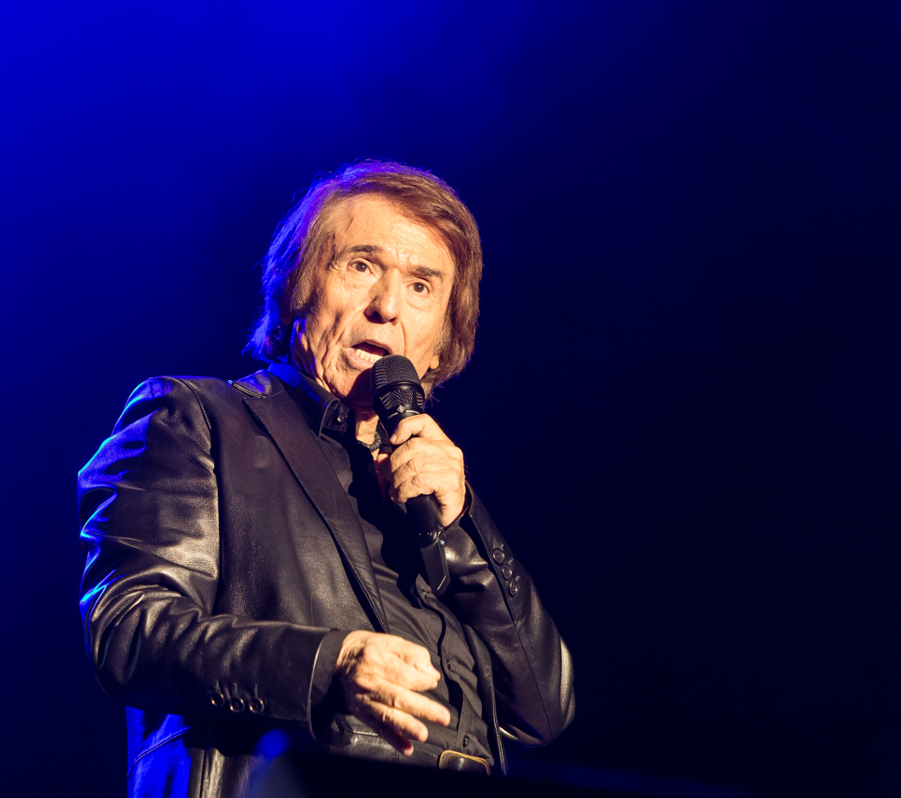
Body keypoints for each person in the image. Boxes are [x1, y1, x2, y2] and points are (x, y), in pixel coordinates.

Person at [78, 161, 574, 798]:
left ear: (442, 341)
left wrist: (463, 525)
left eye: (421, 286)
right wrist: (326, 666)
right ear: (296, 289)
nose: (387, 307)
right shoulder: (197, 419)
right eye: (361, 266)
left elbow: (543, 710)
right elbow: (131, 630)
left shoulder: (434, 489)